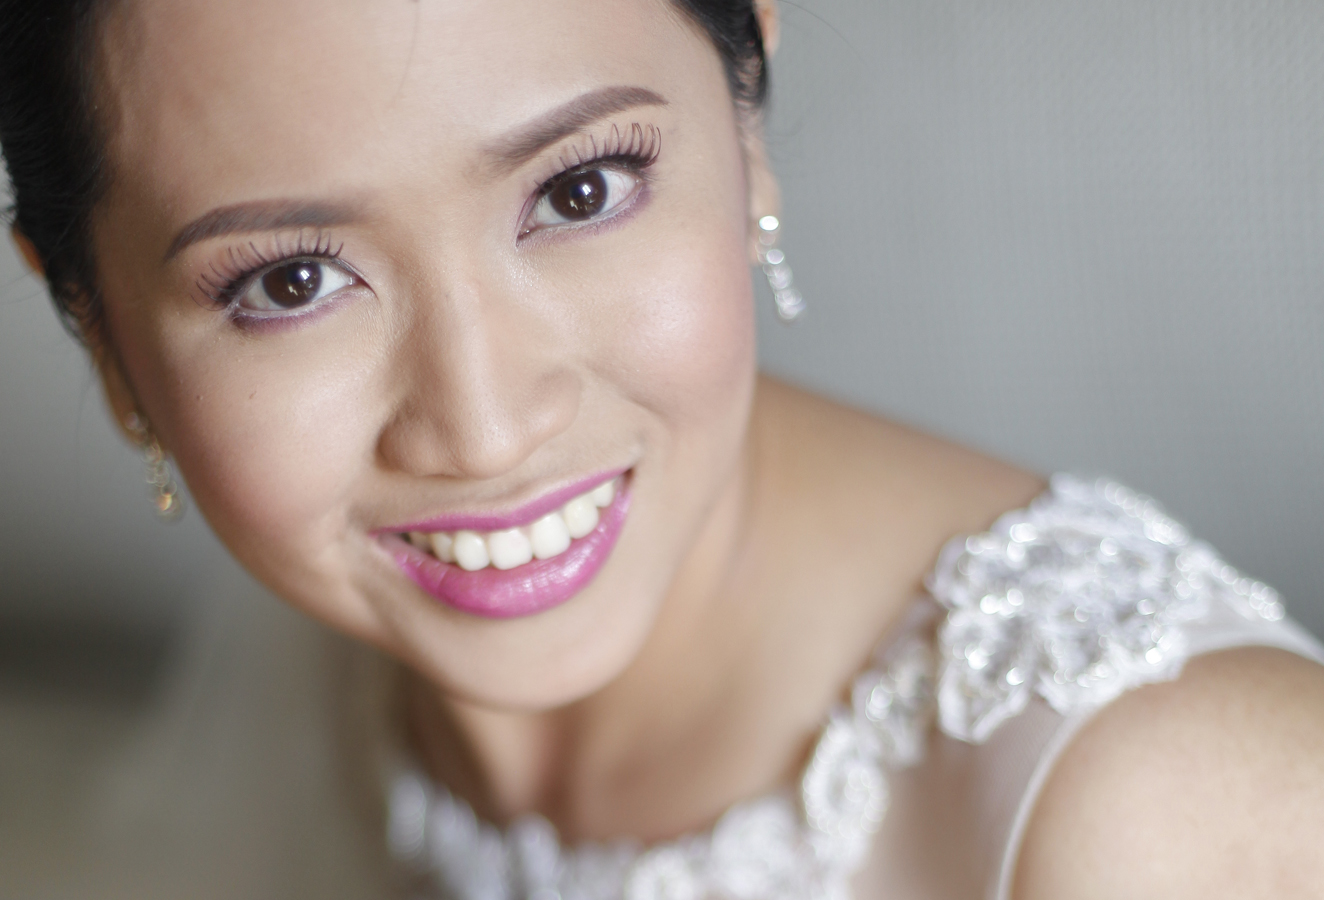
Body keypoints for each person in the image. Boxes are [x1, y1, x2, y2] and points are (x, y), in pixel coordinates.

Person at [3, 1, 1323, 897]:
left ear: (746, 122)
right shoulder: (325, 663)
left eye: (578, 190)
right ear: (104, 338)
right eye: (289, 283)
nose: (483, 431)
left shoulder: (1177, 807)